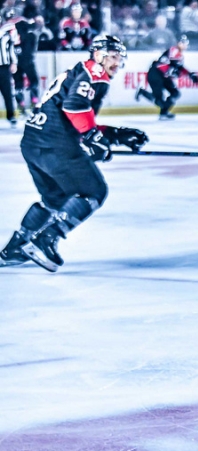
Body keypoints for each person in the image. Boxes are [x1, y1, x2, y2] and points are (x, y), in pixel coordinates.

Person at [0, 35, 148, 271]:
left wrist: (115, 134)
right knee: (94, 191)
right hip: (55, 145)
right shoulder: (94, 74)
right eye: (113, 57)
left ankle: (16, 246)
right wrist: (92, 136)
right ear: (98, 55)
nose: (117, 63)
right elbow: (74, 107)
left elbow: (72, 115)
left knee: (55, 199)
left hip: (33, 143)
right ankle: (46, 240)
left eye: (119, 58)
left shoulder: (80, 71)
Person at [135, 35, 198, 120]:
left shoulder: (179, 55)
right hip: (155, 75)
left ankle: (164, 113)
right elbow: (163, 66)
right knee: (159, 100)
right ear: (178, 43)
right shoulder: (173, 51)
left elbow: (179, 67)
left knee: (175, 93)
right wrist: (174, 72)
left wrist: (190, 74)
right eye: (182, 43)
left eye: (185, 43)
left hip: (163, 76)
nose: (184, 45)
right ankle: (143, 92)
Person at [12, 5, 40, 116]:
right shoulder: (32, 26)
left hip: (17, 58)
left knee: (18, 83)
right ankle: (33, 102)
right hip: (27, 59)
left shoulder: (16, 25)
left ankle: (21, 104)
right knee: (33, 81)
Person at [0, 8, 16, 127]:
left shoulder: (6, 33)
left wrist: (14, 62)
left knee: (7, 92)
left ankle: (11, 116)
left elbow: (11, 49)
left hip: (4, 66)